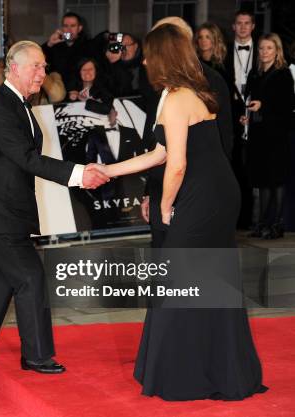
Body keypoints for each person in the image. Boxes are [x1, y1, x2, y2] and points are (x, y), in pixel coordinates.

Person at [95, 22, 266, 401]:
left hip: (203, 198)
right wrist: (108, 170)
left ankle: (185, 376)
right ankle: (217, 370)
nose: (143, 62)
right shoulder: (188, 91)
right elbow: (158, 152)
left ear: (161, 57)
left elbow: (176, 164)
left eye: (148, 56)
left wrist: (165, 206)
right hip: (217, 192)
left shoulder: (176, 98)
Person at [0, 40, 109, 395]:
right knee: (30, 276)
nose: (43, 72)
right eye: (36, 66)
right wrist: (80, 174)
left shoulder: (17, 106)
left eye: (44, 65)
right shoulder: (2, 110)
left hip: (8, 212)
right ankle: (36, 355)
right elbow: (28, 159)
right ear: (15, 69)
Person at [139, 17, 233, 247]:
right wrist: (150, 191)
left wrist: (167, 204)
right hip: (167, 185)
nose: (145, 60)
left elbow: (222, 141)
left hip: (194, 192)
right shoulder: (165, 85)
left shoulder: (208, 81)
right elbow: (158, 145)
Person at [242, 33, 295, 239]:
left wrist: (264, 106)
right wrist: (246, 116)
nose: (265, 52)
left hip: (276, 133)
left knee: (276, 179)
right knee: (262, 179)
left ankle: (277, 224)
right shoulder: (254, 73)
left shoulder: (282, 74)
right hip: (258, 133)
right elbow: (250, 100)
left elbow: (288, 105)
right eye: (262, 48)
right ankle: (262, 223)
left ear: (277, 51)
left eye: (269, 48)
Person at [225, 10, 258, 228]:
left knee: (254, 169)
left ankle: (252, 219)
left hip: (257, 113)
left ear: (253, 26)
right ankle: (236, 220)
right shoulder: (225, 53)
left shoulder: (263, 49)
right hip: (233, 115)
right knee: (234, 168)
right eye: (239, 23)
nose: (244, 27)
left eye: (247, 23)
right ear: (234, 27)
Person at [42, 12, 89, 89]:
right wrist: (49, 43)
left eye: (73, 26)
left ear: (79, 28)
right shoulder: (55, 46)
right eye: (65, 26)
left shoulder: (87, 46)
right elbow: (38, 59)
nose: (69, 30)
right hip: (57, 89)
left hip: (78, 90)